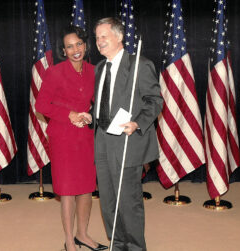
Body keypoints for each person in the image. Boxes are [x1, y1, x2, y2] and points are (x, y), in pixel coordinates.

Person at [93, 17, 163, 251]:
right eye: (97, 37)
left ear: (119, 37)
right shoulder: (100, 68)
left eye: (104, 36)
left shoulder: (139, 65)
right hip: (102, 139)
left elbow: (154, 101)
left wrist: (137, 123)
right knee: (108, 200)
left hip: (126, 139)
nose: (99, 42)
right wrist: (89, 115)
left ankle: (135, 247)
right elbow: (103, 104)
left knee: (128, 201)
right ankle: (117, 244)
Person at [35, 26, 107, 251]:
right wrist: (69, 114)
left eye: (79, 44)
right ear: (63, 50)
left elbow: (101, 102)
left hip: (86, 137)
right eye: (69, 46)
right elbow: (41, 105)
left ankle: (82, 235)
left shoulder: (94, 70)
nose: (75, 50)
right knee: (67, 190)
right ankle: (69, 240)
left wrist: (90, 115)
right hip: (63, 137)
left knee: (86, 188)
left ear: (85, 46)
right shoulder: (55, 72)